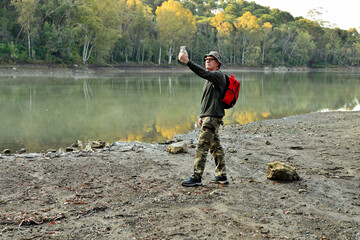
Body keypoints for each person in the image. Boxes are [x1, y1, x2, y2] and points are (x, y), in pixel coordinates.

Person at [178, 50, 229, 187]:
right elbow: (207, 100)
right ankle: (221, 175)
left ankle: (196, 177)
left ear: (218, 63)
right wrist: (202, 116)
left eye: (211, 59)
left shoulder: (218, 75)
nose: (207, 60)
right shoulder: (211, 78)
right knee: (215, 147)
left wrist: (187, 62)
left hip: (212, 118)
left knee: (201, 146)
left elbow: (203, 73)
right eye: (206, 58)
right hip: (210, 117)